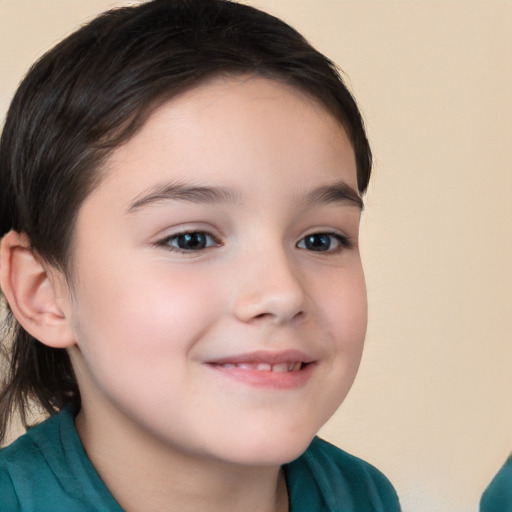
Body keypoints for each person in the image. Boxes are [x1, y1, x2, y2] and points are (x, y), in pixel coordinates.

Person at [0, 0, 401, 510]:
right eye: (191, 239)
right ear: (44, 293)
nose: (282, 294)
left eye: (319, 240)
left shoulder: (362, 496)